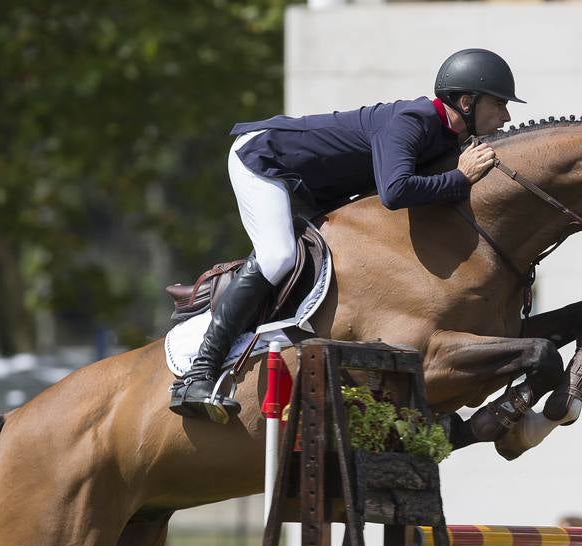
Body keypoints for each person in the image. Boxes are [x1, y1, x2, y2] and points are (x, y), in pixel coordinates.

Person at [169, 48, 522, 422]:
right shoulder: (412, 121)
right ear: (466, 102)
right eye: (498, 105)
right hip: (263, 156)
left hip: (314, 187)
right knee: (278, 256)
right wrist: (461, 178)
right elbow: (395, 192)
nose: (506, 116)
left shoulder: (448, 138)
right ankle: (198, 375)